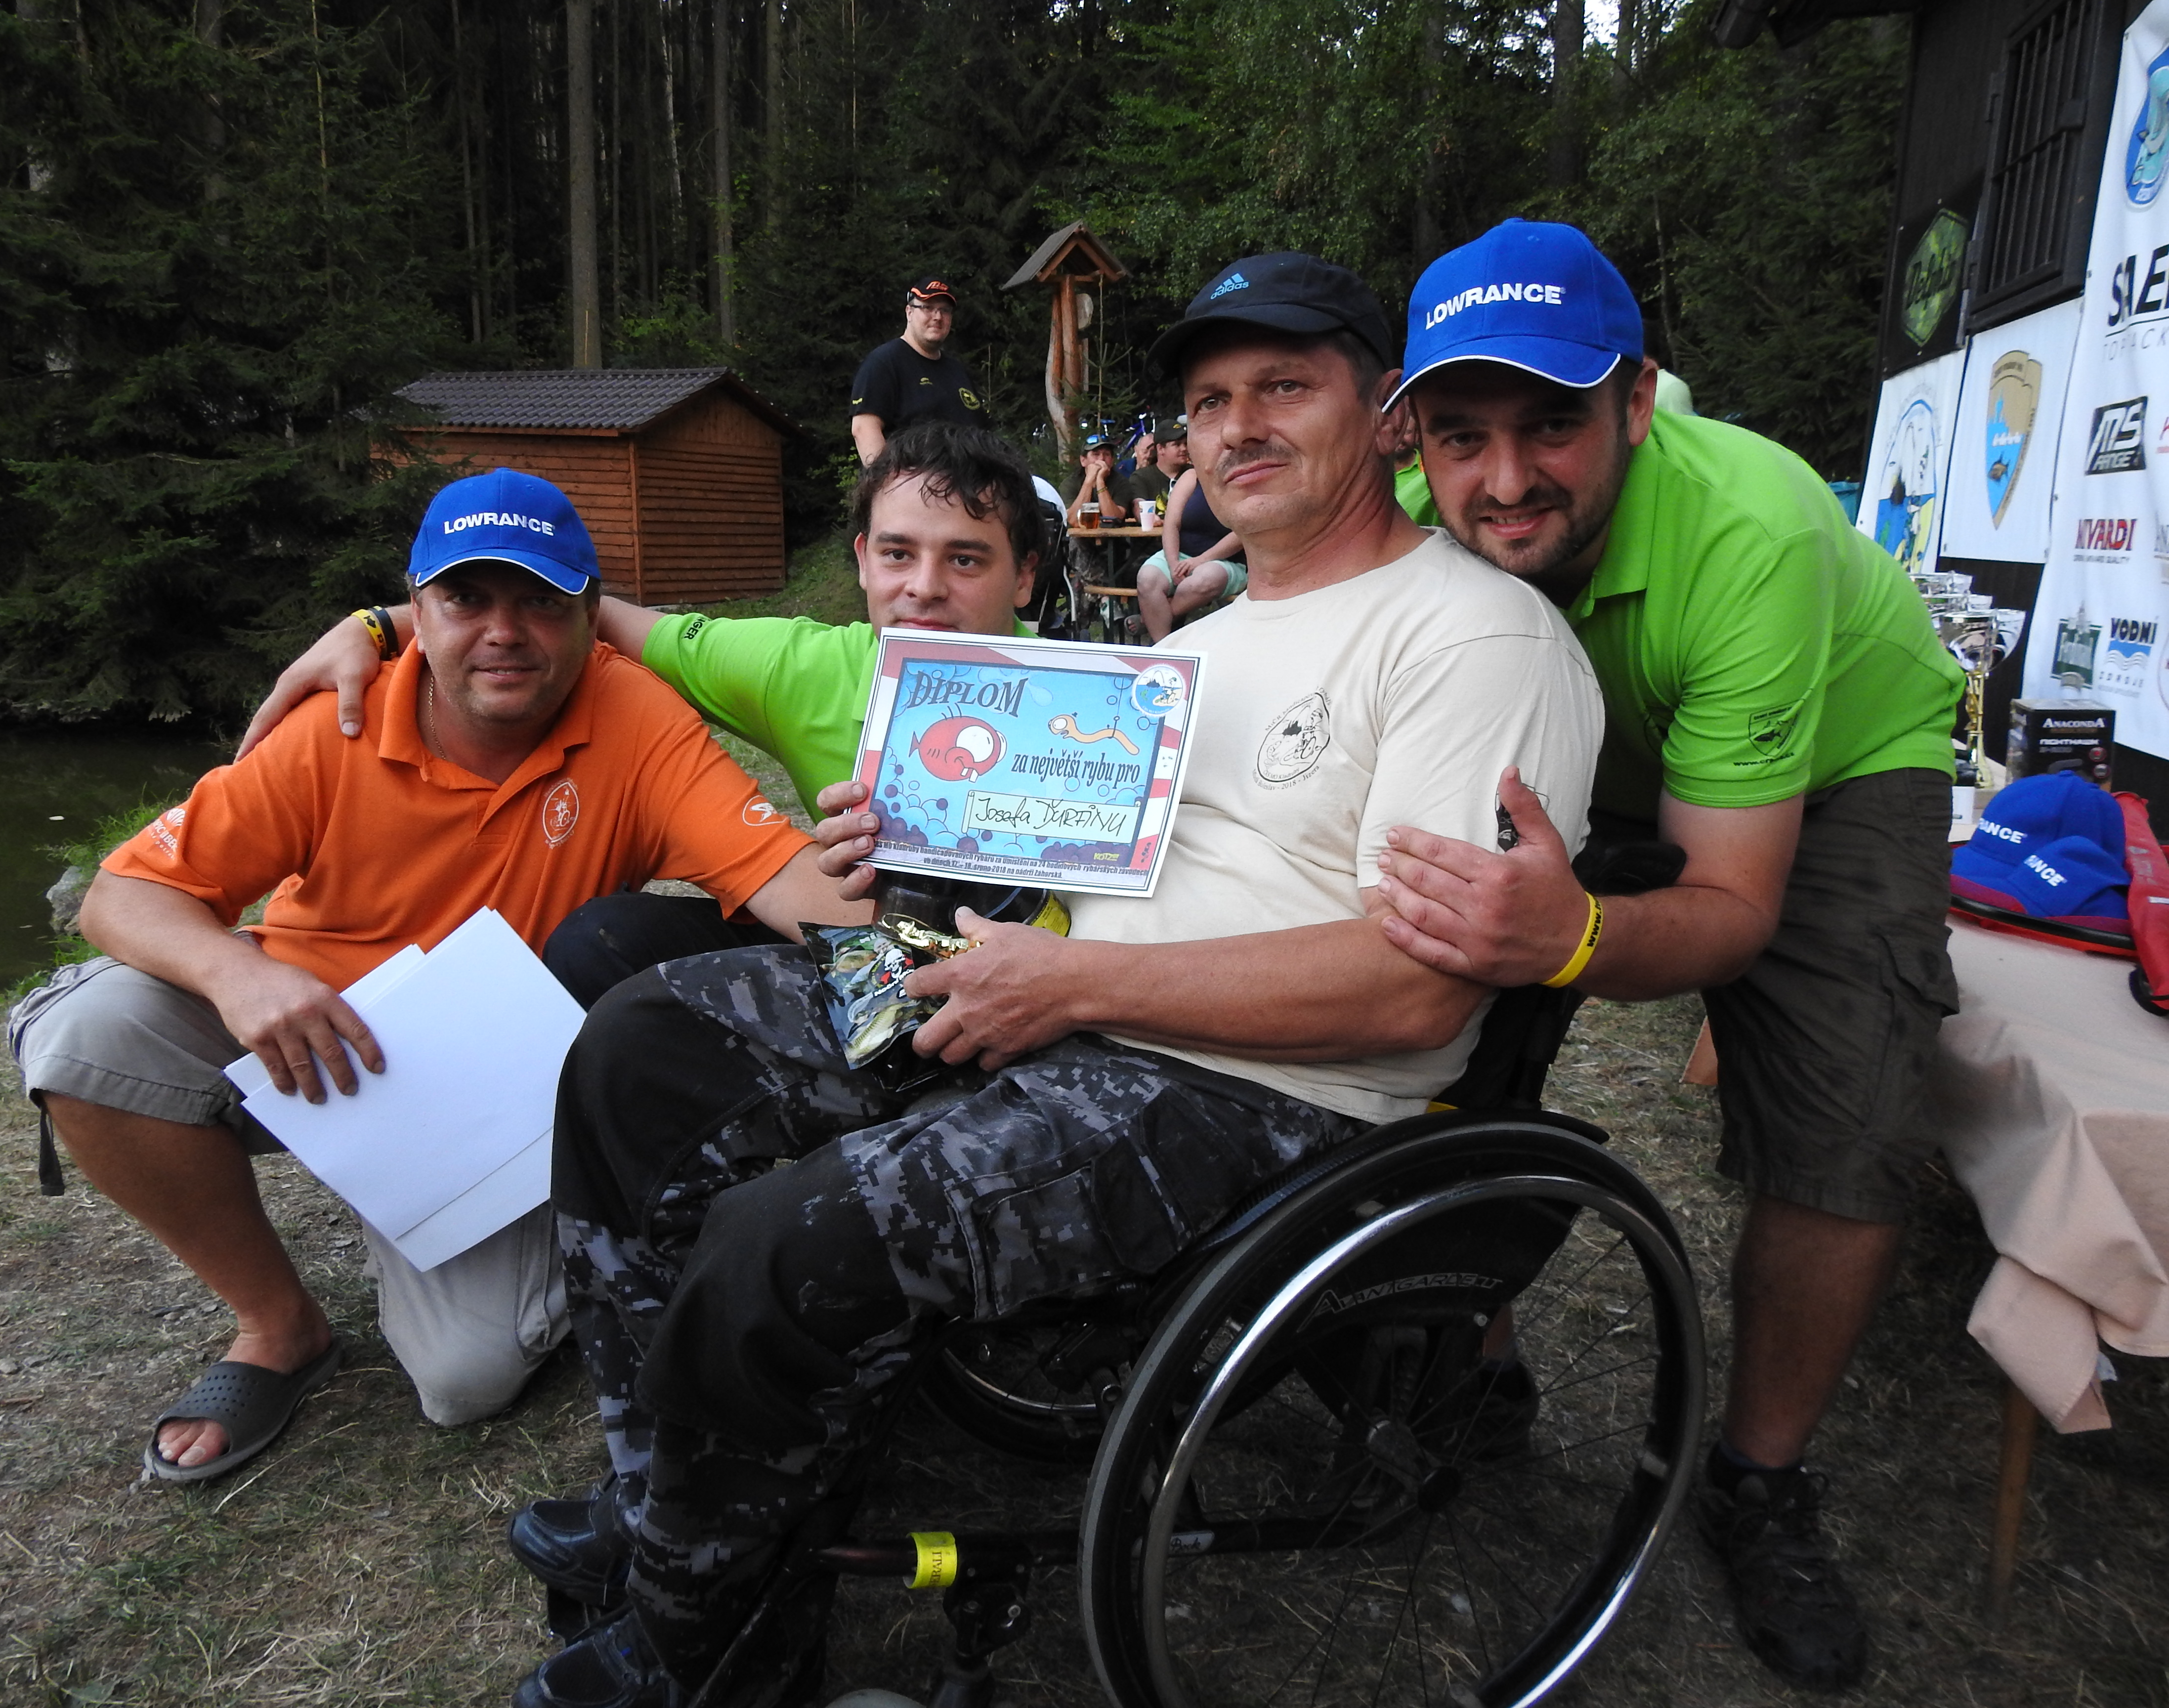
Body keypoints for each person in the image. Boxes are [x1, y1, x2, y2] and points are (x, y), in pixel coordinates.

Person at [502, 250, 1603, 1708]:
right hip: (1055, 994)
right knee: (640, 1048)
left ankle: (705, 1653)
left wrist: (1073, 986)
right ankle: (675, 1510)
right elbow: (1077, 863)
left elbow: (1415, 996)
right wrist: (915, 836)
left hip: (1250, 1093)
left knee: (786, 1245)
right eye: (1210, 401)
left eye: (1285, 386)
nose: (1239, 426)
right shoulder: (1198, 645)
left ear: (1385, 413)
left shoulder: (1476, 637)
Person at [8, 470, 866, 1484]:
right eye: (466, 599)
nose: (504, 632)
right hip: (300, 1032)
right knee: (85, 1035)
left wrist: (968, 933)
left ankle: (441, 1214)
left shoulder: (636, 718)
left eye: (540, 600)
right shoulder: (338, 719)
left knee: (467, 1381)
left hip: (477, 1102)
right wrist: (236, 974)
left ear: (589, 615)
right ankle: (278, 1327)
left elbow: (787, 883)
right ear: (417, 609)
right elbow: (119, 896)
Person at [1376, 218, 1963, 1692]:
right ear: (1410, 435)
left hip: (1835, 760)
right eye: (1462, 435)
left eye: (1553, 424)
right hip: (1586, 746)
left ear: (1637, 402)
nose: (1504, 479)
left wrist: (1572, 931)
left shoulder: (1754, 527)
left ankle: (1758, 1478)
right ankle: (1473, 1366)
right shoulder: (1405, 500)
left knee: (1847, 1122)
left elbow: (1729, 906)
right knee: (1443, 1032)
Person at [241, 424, 1051, 1009]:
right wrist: (387, 625)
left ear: (1024, 577)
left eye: (966, 558)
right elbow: (578, 613)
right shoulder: (794, 667)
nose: (924, 588)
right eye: (899, 553)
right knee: (607, 937)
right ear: (863, 563)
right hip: (888, 943)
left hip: (1073, 963)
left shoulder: (1101, 699)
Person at [848, 276, 987, 465]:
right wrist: (889, 481)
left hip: (967, 480)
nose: (937, 317)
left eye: (945, 310)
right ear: (909, 312)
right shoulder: (884, 363)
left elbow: (982, 433)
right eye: (928, 308)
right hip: (914, 481)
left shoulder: (958, 370)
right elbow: (864, 429)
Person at [1134, 459, 1246, 641]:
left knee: (1205, 579)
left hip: (1227, 561)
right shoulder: (1191, 477)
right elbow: (1171, 524)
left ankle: (1151, 620)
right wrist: (1173, 564)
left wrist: (1200, 560)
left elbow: (1241, 534)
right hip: (1181, 554)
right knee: (1147, 578)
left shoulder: (1242, 478)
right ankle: (1163, 648)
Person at [1064, 432, 1132, 522]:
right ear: (1083, 460)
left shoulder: (1121, 482)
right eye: (1096, 454)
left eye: (1107, 454)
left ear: (1112, 461)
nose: (1102, 459)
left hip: (1112, 532)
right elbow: (1073, 520)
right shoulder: (1071, 483)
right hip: (1081, 531)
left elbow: (1113, 520)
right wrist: (1089, 482)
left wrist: (1100, 482)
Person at [1128, 418, 1191, 506]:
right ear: (1161, 449)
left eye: (1186, 444)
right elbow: (1139, 507)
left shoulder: (1196, 474)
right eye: (1177, 445)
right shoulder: (1141, 478)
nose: (1184, 449)